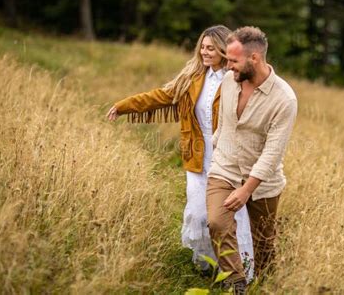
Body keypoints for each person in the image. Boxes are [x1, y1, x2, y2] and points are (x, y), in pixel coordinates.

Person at [106, 25, 254, 280]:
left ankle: (240, 272)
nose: (205, 53)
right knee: (198, 214)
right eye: (202, 48)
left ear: (222, 50)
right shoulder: (193, 78)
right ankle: (207, 265)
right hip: (197, 156)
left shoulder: (236, 79)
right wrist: (123, 106)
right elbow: (159, 96)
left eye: (211, 48)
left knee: (230, 214)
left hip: (228, 159)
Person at [206, 26, 297, 293]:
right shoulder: (228, 81)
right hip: (224, 168)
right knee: (216, 222)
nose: (228, 66)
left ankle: (266, 286)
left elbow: (273, 153)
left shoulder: (285, 99)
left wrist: (247, 190)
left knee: (264, 244)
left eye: (233, 61)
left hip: (263, 182)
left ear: (254, 58)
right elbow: (224, 124)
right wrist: (216, 149)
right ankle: (237, 285)